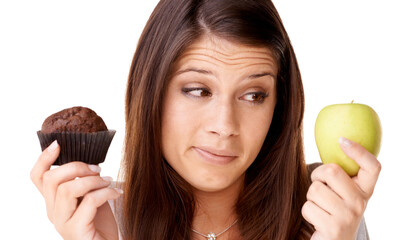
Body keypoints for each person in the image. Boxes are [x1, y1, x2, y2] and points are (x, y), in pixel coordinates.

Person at [30, 0, 381, 239]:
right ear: (151, 92)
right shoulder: (99, 221)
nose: (225, 125)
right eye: (198, 90)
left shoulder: (327, 211)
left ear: (280, 105)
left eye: (253, 95)